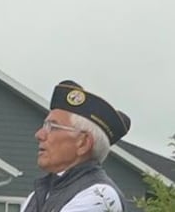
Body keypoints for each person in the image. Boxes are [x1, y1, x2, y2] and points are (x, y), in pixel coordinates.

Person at [22, 80, 132, 212]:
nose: (39, 134)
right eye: (44, 125)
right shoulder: (37, 195)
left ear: (83, 143)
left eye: (52, 127)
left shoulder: (100, 196)